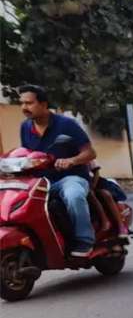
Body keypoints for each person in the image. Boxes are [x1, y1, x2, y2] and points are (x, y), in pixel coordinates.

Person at [18, 84, 98, 257]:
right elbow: (27, 154)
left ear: (44, 104)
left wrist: (72, 160)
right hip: (40, 181)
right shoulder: (25, 127)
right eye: (22, 103)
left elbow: (90, 153)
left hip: (69, 177)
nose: (24, 107)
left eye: (29, 103)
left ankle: (85, 241)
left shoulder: (67, 125)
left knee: (74, 195)